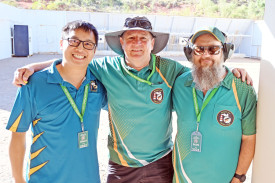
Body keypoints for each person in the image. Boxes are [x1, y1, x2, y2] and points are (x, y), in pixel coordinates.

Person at [12, 17, 252, 182]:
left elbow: (205, 67)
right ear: (121, 44)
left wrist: (234, 71)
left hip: (161, 162)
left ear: (153, 44)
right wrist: (33, 67)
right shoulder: (105, 67)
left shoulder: (171, 71)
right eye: (131, 38)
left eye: (143, 38)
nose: (137, 43)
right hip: (120, 165)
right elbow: (75, 60)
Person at [6, 20, 107, 183]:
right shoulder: (32, 84)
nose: (80, 49)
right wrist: (18, 180)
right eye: (74, 41)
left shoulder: (99, 82)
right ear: (61, 44)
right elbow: (18, 136)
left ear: (94, 50)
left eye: (88, 44)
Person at [172, 27, 256, 183]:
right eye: (199, 49)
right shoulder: (180, 83)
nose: (205, 55)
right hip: (182, 178)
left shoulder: (242, 88)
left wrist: (239, 177)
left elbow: (249, 139)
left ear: (225, 52)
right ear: (190, 54)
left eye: (213, 49)